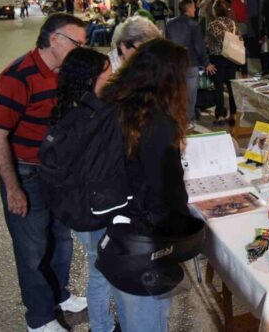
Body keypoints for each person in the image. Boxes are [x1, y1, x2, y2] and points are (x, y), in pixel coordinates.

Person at [0, 13, 88, 332]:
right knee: (31, 250)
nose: (82, 50)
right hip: (26, 174)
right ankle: (39, 318)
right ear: (54, 39)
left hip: (58, 172)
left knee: (61, 239)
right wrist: (13, 188)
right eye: (77, 44)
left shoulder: (66, 74)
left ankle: (60, 295)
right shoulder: (17, 77)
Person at [100, 39, 191, 332]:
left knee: (131, 314)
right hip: (145, 240)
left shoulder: (114, 102)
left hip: (117, 230)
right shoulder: (157, 122)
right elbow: (168, 190)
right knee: (148, 319)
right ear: (168, 78)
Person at [50, 48, 114, 332]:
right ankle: (102, 327)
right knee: (101, 272)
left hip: (80, 209)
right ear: (89, 79)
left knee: (100, 267)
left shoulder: (67, 109)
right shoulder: (89, 118)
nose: (112, 81)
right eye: (107, 76)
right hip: (93, 211)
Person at [166, 0, 216, 125]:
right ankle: (188, 119)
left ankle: (176, 117)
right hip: (190, 63)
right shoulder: (194, 25)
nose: (195, 9)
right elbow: (199, 46)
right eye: (193, 7)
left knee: (177, 92)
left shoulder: (169, 24)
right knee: (190, 95)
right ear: (188, 8)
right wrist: (206, 63)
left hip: (174, 64)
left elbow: (167, 44)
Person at [206, 0, 240, 125]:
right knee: (231, 88)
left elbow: (209, 43)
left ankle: (220, 115)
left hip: (217, 59)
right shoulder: (233, 24)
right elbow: (239, 39)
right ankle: (234, 114)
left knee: (218, 88)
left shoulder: (212, 25)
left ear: (215, 11)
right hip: (231, 58)